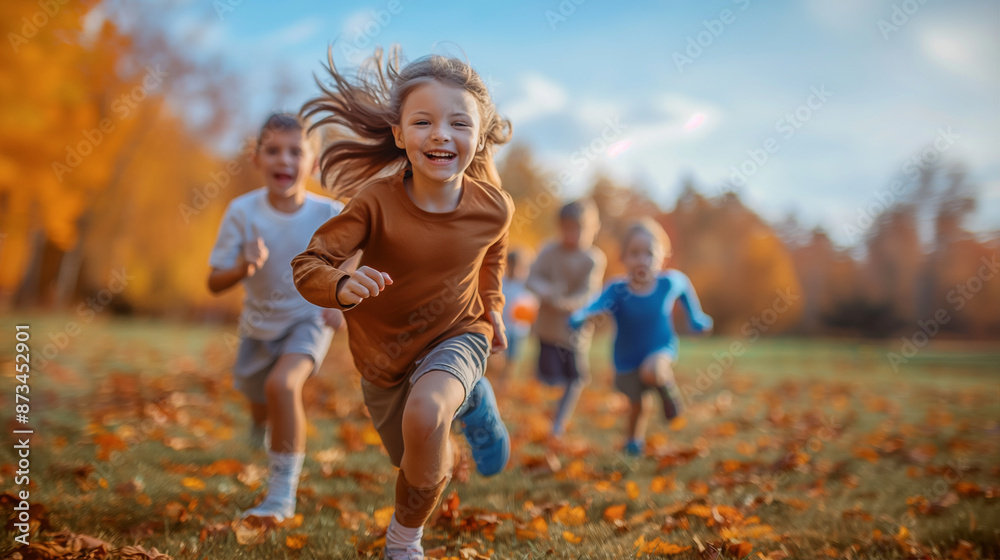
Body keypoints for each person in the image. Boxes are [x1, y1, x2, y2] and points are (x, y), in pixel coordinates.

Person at [291, 46, 513, 560]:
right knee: (415, 457)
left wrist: (493, 308)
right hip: (383, 357)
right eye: (423, 121)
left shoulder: (493, 207)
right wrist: (342, 287)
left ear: (477, 138)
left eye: (459, 123)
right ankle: (472, 403)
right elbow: (310, 264)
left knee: (428, 411)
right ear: (399, 135)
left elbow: (492, 256)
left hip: (459, 333)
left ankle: (403, 542)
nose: (441, 133)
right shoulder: (375, 202)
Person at [207, 113, 352, 521]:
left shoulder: (331, 213)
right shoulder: (242, 211)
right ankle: (260, 426)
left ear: (315, 163)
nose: (283, 160)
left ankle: (281, 496)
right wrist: (242, 268)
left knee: (282, 386)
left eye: (295, 151)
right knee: (259, 396)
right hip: (257, 324)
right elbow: (214, 282)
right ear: (257, 159)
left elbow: (360, 251)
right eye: (272, 150)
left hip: (307, 319)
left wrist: (338, 296)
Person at [569, 218, 712, 456]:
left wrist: (695, 317)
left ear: (662, 257)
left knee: (653, 370)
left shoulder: (667, 283)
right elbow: (597, 303)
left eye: (649, 254)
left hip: (660, 347)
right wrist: (582, 315)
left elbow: (684, 286)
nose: (642, 260)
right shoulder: (618, 289)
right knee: (639, 404)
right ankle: (633, 443)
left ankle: (668, 392)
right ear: (623, 258)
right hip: (626, 359)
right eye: (634, 253)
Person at [525, 200, 606, 442]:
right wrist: (548, 292)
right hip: (549, 330)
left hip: (574, 332)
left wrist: (567, 303)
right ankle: (543, 418)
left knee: (576, 378)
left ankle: (558, 423)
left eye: (581, 229)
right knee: (549, 379)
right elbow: (532, 279)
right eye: (569, 229)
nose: (574, 235)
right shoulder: (549, 251)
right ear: (560, 227)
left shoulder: (593, 259)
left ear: (595, 228)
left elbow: (588, 293)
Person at [499, 247, 536, 383]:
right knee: (499, 356)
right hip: (502, 326)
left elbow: (532, 303)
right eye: (512, 265)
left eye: (519, 266)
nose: (515, 269)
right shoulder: (501, 282)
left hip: (519, 329)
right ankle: (499, 379)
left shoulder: (526, 284)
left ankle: (506, 381)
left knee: (513, 358)